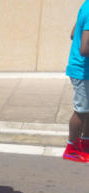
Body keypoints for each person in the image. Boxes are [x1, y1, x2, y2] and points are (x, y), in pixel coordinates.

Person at [64, 0, 89, 163]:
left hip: (83, 68)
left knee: (87, 109)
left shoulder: (86, 4)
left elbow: (74, 33)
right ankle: (71, 148)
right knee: (81, 110)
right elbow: (85, 48)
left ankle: (85, 142)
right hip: (82, 70)